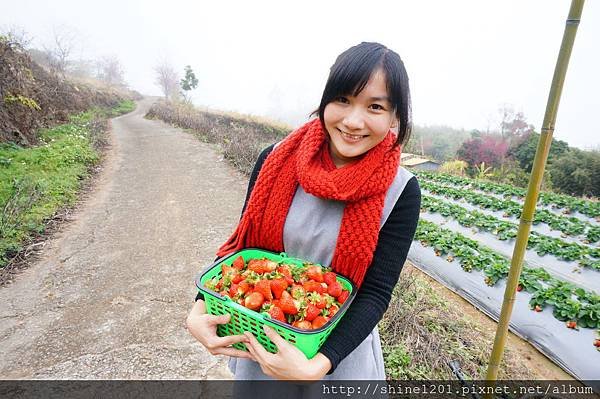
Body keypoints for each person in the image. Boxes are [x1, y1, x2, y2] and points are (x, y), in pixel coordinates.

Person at [186, 42, 421, 386]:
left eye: (374, 106)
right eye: (343, 99)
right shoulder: (275, 160)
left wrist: (319, 365)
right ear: (325, 100)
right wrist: (200, 306)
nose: (353, 121)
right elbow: (241, 251)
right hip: (262, 342)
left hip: (338, 360)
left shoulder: (401, 191)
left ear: (394, 116)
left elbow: (375, 293)